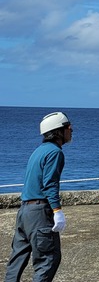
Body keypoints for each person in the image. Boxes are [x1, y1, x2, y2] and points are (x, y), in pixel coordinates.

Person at [5, 112, 73, 282]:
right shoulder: (55, 152)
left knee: (17, 259)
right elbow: (50, 184)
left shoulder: (38, 151)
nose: (71, 131)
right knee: (48, 260)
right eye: (68, 128)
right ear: (58, 131)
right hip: (39, 213)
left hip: (24, 212)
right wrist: (57, 211)